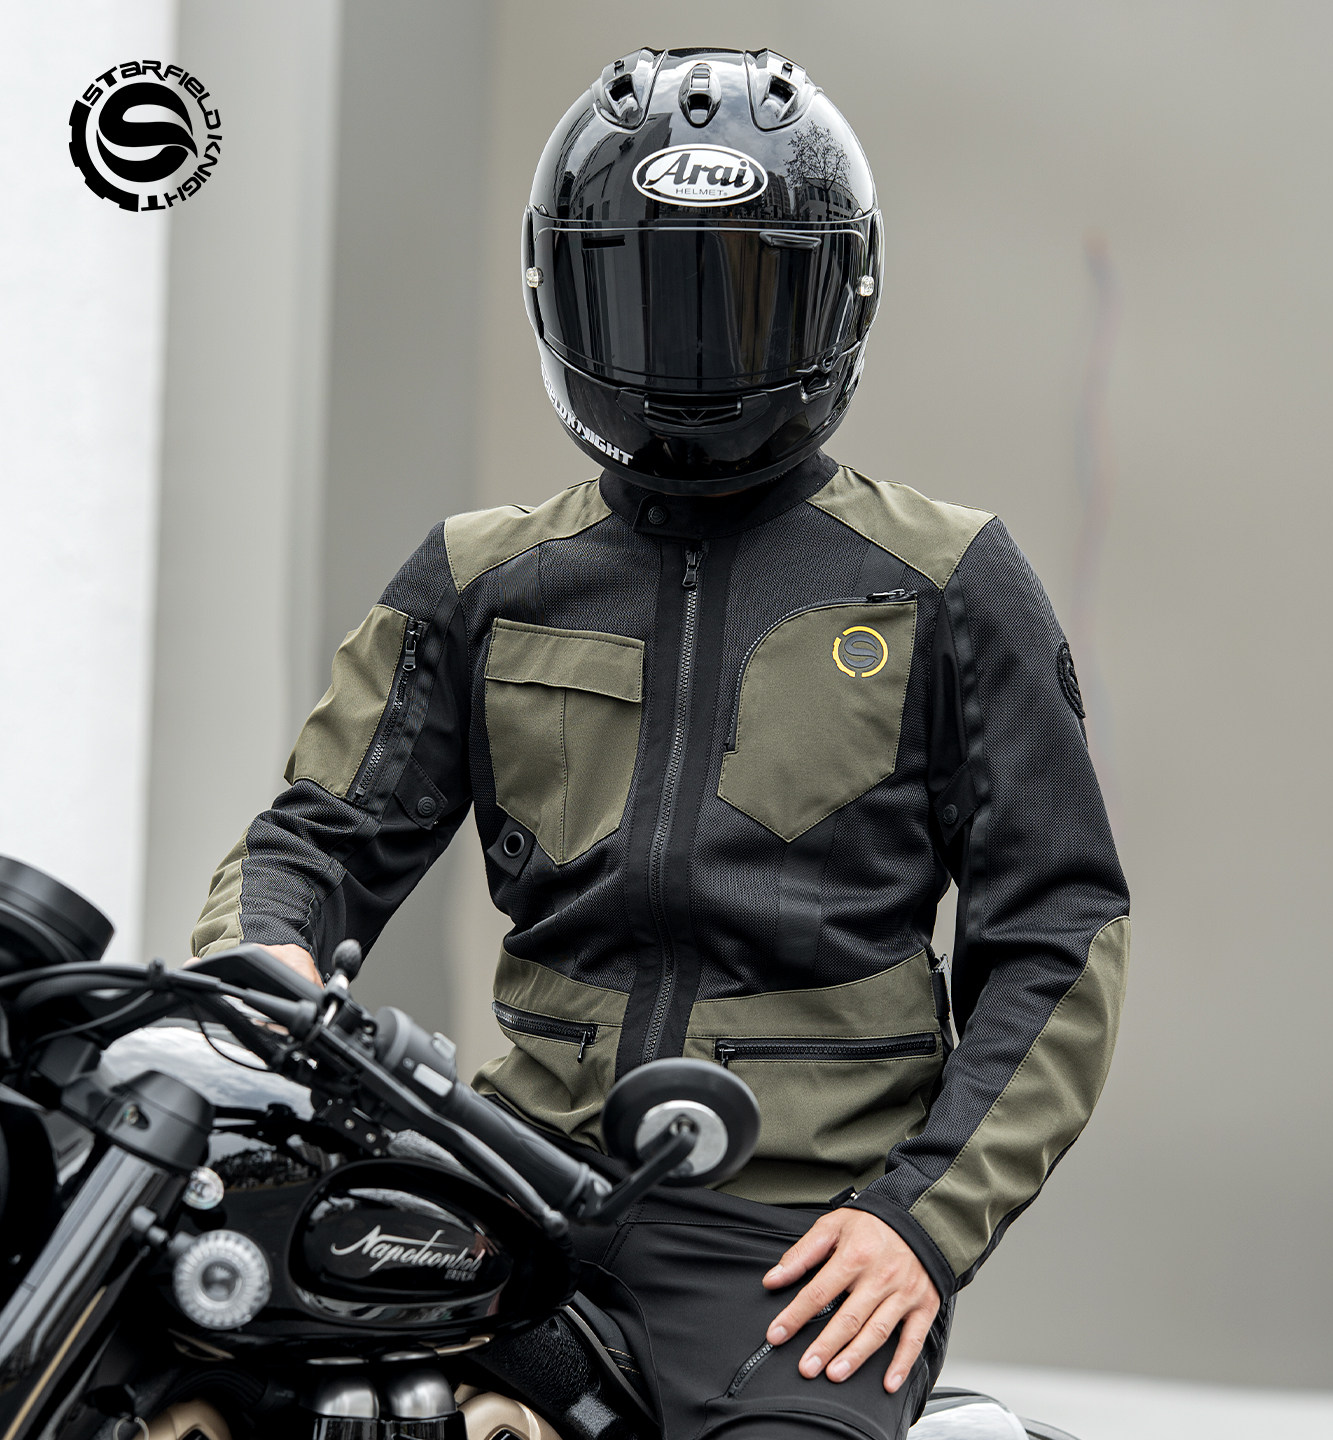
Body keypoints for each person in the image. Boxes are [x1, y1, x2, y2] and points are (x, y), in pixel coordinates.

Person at [192, 47, 1129, 1440]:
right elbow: (319, 835)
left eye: (745, 293)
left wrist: (920, 1223)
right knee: (218, 1367)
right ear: (560, 292)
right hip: (508, 1176)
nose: (694, 348)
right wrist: (258, 960)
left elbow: (1057, 932)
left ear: (839, 296)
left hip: (792, 1243)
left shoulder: (947, 583)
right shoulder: (479, 580)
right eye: (645, 292)